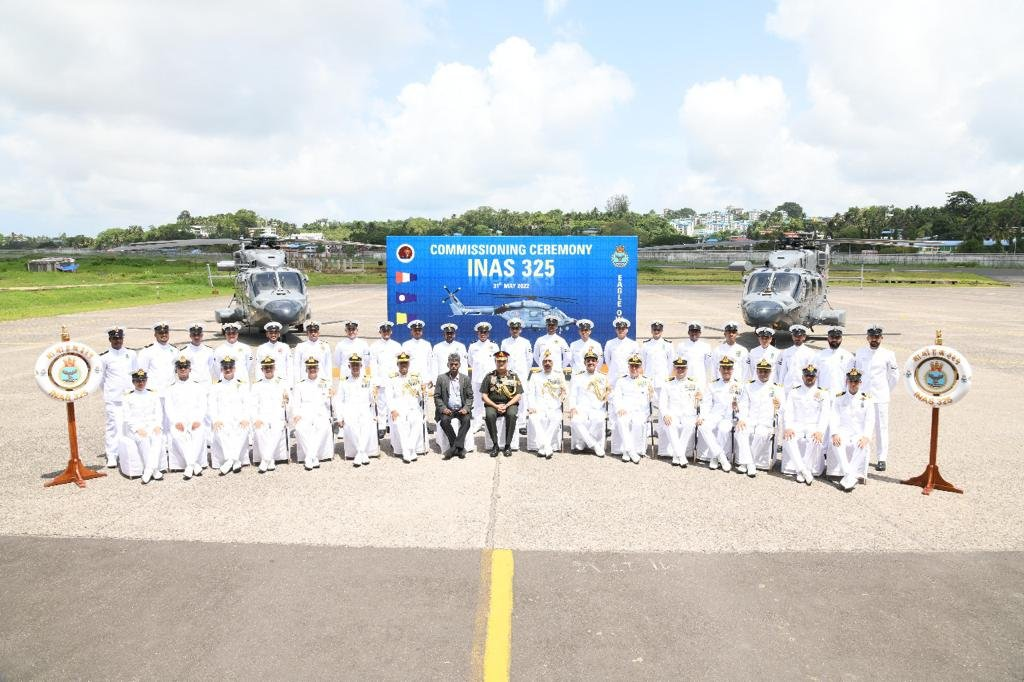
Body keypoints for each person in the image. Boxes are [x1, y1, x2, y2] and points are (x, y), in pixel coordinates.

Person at [659, 358, 724, 468]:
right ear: (674, 369)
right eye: (678, 368)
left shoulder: (694, 383)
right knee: (669, 424)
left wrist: (700, 406)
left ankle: (677, 455)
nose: (680, 370)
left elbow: (701, 402)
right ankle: (681, 455)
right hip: (673, 413)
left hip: (688, 414)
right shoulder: (667, 383)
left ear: (687, 369)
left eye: (682, 368)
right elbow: (662, 402)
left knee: (689, 425)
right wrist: (665, 414)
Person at [853, 325, 899, 472]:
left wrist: (886, 390)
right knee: (860, 426)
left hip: (880, 396)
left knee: (881, 428)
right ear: (867, 338)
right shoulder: (860, 352)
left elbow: (894, 377)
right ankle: (859, 454)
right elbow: (856, 373)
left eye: (877, 337)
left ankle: (881, 458)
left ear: (881, 338)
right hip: (863, 396)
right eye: (872, 337)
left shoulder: (888, 354)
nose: (874, 339)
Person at [781, 364, 830, 484]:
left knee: (815, 438)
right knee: (788, 437)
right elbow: (788, 411)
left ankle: (802, 470)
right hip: (797, 424)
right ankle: (803, 470)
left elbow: (825, 414)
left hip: (814, 425)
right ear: (802, 377)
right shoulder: (794, 392)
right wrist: (788, 427)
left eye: (812, 376)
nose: (809, 378)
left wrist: (820, 431)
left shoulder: (823, 393)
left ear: (816, 377)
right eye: (807, 375)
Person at [828, 368, 876, 491]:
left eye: (856, 381)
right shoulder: (839, 397)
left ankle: (848, 477)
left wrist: (866, 436)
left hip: (858, 433)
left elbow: (870, 420)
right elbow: (834, 416)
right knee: (835, 442)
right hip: (843, 431)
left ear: (860, 382)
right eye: (851, 381)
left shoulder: (867, 399)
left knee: (863, 445)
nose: (853, 384)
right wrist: (834, 433)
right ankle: (850, 475)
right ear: (846, 382)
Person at [97, 325, 136, 468]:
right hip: (113, 398)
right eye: (114, 338)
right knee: (113, 427)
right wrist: (110, 391)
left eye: (119, 338)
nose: (117, 341)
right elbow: (101, 380)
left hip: (129, 397)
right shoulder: (104, 358)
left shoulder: (131, 354)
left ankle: (128, 453)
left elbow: (135, 373)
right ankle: (112, 455)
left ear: (123, 338)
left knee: (129, 425)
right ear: (109, 339)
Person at [164, 355, 209, 480]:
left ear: (190, 369)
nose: (183, 370)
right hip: (179, 421)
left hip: (195, 420)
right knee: (177, 434)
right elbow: (169, 408)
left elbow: (203, 405)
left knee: (199, 433)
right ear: (176, 370)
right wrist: (176, 421)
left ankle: (190, 465)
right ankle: (193, 464)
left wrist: (198, 420)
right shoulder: (170, 389)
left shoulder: (198, 387)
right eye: (180, 367)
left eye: (185, 367)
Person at [136, 321, 178, 451]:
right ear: (155, 334)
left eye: (166, 332)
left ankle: (169, 446)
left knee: (170, 419)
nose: (163, 335)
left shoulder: (175, 350)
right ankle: (156, 446)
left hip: (169, 392)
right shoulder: (147, 351)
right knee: (155, 420)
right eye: (160, 333)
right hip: (154, 392)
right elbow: (141, 372)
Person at [736, 358, 782, 475]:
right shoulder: (748, 386)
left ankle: (746, 463)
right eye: (760, 371)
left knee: (761, 434)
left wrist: (778, 410)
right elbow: (744, 404)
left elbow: (782, 409)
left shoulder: (777, 388)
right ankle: (751, 464)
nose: (763, 374)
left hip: (766, 421)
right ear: (756, 371)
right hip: (750, 419)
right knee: (740, 431)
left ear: (770, 372)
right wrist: (742, 419)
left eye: (766, 371)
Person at [289, 357, 335, 470]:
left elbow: (331, 401)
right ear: (306, 369)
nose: (312, 369)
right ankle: (313, 457)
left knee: (323, 427)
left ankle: (309, 457)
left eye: (314, 367)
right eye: (310, 368)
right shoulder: (300, 384)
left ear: (318, 369)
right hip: (305, 412)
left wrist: (334, 414)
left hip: (320, 412)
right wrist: (296, 415)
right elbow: (296, 403)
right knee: (299, 429)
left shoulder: (325, 383)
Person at [209, 356, 252, 475]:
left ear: (234, 369)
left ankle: (230, 460)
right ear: (221, 370)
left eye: (230, 367)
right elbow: (211, 405)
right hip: (222, 418)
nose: (228, 370)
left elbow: (248, 404)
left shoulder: (242, 385)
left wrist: (245, 418)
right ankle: (233, 460)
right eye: (225, 368)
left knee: (244, 428)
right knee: (219, 430)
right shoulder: (215, 387)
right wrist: (215, 420)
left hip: (239, 418)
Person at [334, 353, 378, 467]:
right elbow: (339, 400)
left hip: (364, 408)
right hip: (350, 409)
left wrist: (374, 395)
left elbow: (372, 399)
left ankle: (360, 452)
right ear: (349, 367)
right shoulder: (344, 382)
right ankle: (362, 452)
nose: (355, 367)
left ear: (361, 366)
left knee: (366, 425)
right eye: (353, 365)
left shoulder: (367, 380)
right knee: (351, 427)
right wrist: (339, 416)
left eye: (357, 365)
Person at [123, 368, 163, 484]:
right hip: (136, 428)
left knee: (158, 437)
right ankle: (154, 470)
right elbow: (127, 417)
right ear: (133, 382)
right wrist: (137, 429)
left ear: (146, 381)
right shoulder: (127, 396)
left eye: (143, 380)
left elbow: (159, 412)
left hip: (152, 425)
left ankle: (149, 470)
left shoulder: (153, 394)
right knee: (144, 440)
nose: (141, 383)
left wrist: (157, 425)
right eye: (138, 381)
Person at [611, 355, 653, 463]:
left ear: (640, 368)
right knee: (621, 421)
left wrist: (652, 394)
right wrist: (619, 408)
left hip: (640, 411)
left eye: (636, 366)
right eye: (632, 366)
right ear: (628, 367)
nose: (634, 368)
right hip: (625, 410)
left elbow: (652, 398)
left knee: (638, 423)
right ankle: (630, 451)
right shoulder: (621, 380)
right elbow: (616, 397)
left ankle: (627, 451)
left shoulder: (647, 381)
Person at [251, 356, 290, 473]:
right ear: (262, 370)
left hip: (277, 415)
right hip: (262, 415)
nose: (268, 369)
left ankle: (265, 459)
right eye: (265, 368)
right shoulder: (256, 385)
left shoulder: (282, 383)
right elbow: (252, 404)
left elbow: (289, 400)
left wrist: (287, 405)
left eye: (270, 367)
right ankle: (269, 459)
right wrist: (256, 418)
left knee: (277, 429)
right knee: (259, 430)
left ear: (274, 368)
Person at [481, 350, 524, 457]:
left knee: (512, 415)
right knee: (490, 415)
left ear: (507, 362)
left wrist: (506, 405)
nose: (501, 363)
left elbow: (518, 395)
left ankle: (508, 445)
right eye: (499, 361)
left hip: (509, 404)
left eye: (503, 361)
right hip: (493, 404)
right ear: (495, 362)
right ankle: (495, 445)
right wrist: (496, 406)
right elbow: (484, 396)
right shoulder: (489, 376)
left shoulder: (513, 376)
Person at [567, 350, 609, 456]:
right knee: (575, 421)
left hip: (597, 408)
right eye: (588, 360)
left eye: (593, 360)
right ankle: (595, 445)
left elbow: (608, 393)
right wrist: (572, 407)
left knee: (599, 420)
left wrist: (608, 396)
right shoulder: (577, 377)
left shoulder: (603, 377)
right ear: (584, 362)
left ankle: (582, 442)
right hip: (581, 408)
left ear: (597, 362)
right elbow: (573, 394)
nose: (591, 362)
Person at [526, 350, 567, 459]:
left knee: (557, 418)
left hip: (554, 406)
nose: (547, 363)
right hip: (539, 406)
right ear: (541, 363)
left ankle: (543, 446)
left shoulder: (559, 375)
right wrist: (531, 406)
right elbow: (530, 393)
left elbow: (564, 391)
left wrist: (563, 396)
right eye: (545, 361)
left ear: (553, 363)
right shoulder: (535, 376)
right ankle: (548, 446)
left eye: (549, 361)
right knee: (533, 418)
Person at [387, 352, 427, 463]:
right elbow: (388, 396)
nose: (403, 366)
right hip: (399, 408)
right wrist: (393, 410)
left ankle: (410, 448)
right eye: (401, 364)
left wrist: (424, 390)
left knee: (418, 421)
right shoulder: (392, 378)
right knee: (401, 425)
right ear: (397, 365)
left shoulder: (416, 377)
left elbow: (421, 393)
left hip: (413, 407)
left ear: (409, 364)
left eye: (405, 364)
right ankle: (406, 452)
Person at [433, 353, 474, 459]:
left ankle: (453, 448)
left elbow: (470, 397)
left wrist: (466, 408)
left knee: (466, 420)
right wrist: (443, 409)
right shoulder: (441, 378)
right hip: (448, 409)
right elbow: (437, 396)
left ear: (460, 365)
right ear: (448, 365)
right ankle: (459, 448)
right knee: (444, 421)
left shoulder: (465, 379)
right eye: (451, 364)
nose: (454, 367)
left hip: (461, 409)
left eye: (456, 364)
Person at [704, 357, 738, 472]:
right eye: (724, 368)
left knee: (723, 430)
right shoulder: (712, 385)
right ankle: (722, 457)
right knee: (703, 427)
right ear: (720, 369)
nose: (726, 371)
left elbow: (742, 404)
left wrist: (737, 409)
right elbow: (706, 403)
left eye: (728, 368)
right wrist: (702, 417)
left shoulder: (739, 385)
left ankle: (714, 458)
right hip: (715, 414)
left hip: (729, 416)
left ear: (732, 369)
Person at [370, 321, 401, 437]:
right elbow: (373, 365)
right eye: (384, 331)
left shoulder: (397, 346)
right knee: (381, 404)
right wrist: (375, 380)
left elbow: (401, 363)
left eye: (388, 331)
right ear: (380, 332)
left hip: (394, 380)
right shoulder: (374, 346)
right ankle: (382, 426)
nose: (386, 333)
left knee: (393, 402)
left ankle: (391, 425)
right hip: (381, 379)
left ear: (391, 332)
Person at [468, 321, 499, 434]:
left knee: (491, 401)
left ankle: (490, 422)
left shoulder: (494, 346)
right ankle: (477, 423)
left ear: (488, 333)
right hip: (477, 378)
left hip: (491, 379)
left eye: (485, 332)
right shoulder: (473, 346)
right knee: (477, 402)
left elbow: (497, 362)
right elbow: (470, 362)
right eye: (481, 332)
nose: (483, 334)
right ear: (478, 333)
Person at [813, 327, 854, 393]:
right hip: (822, 394)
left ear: (841, 339)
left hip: (840, 395)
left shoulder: (848, 356)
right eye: (832, 337)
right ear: (828, 338)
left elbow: (851, 379)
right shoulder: (819, 355)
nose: (834, 340)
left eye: (837, 337)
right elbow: (814, 376)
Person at [777, 325, 815, 392]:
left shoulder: (810, 353)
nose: (797, 338)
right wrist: (780, 386)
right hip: (788, 386)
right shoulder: (786, 351)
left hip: (802, 386)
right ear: (792, 337)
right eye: (795, 336)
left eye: (800, 336)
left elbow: (812, 373)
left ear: (804, 337)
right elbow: (783, 371)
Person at [293, 320, 332, 385]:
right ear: (307, 333)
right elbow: (296, 366)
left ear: (318, 333)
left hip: (321, 381)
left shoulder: (325, 346)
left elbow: (328, 366)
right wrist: (297, 383)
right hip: (305, 381)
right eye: (311, 331)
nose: (313, 333)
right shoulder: (300, 347)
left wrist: (329, 383)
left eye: (315, 331)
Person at [675, 321, 713, 387]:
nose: (694, 333)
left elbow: (708, 364)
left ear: (700, 333)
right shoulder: (681, 346)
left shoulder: (706, 346)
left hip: (700, 378)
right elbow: (677, 364)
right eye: (692, 331)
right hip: (685, 378)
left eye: (696, 332)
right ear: (688, 332)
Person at [604, 318, 640, 388]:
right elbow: (607, 360)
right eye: (619, 328)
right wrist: (614, 368)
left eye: (623, 329)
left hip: (628, 376)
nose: (621, 330)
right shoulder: (609, 343)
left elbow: (635, 362)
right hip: (613, 377)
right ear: (616, 330)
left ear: (627, 330)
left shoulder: (633, 344)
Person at [641, 320, 674, 393]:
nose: (656, 332)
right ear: (651, 331)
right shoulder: (645, 345)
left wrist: (667, 376)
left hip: (663, 379)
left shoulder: (668, 345)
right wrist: (646, 375)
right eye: (654, 330)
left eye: (658, 330)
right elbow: (643, 362)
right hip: (649, 379)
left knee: (663, 402)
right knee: (648, 402)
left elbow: (671, 363)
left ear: (662, 331)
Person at [401, 320, 433, 384]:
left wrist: (430, 377)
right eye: (415, 330)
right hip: (410, 376)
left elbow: (430, 363)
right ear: (411, 332)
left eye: (419, 330)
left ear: (422, 332)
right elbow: (403, 363)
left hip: (424, 376)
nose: (417, 332)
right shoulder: (405, 345)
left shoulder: (427, 344)